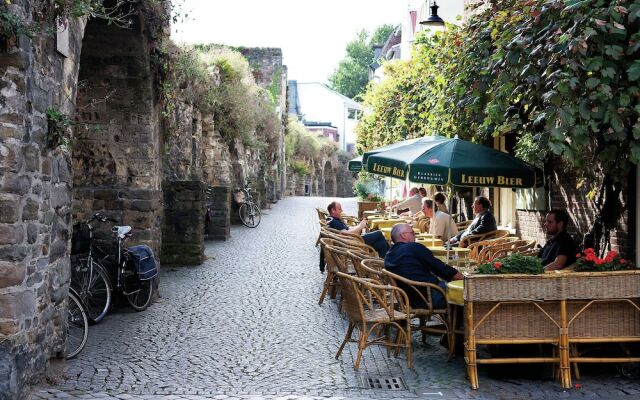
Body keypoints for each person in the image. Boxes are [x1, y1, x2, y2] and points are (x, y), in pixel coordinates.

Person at [385, 223, 464, 309]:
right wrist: (464, 277)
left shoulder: (389, 255)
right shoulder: (414, 247)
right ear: (403, 235)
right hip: (429, 297)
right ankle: (463, 322)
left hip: (407, 299)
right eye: (412, 233)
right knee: (463, 293)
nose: (414, 236)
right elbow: (440, 268)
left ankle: (452, 320)